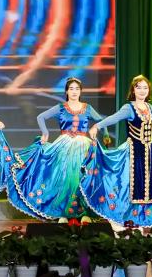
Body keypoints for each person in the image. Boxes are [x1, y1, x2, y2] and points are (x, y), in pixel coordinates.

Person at [84, 75, 152, 227]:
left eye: (145, 87)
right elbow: (114, 118)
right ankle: (127, 217)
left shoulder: (149, 108)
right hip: (133, 153)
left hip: (148, 152)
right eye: (139, 87)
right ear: (133, 90)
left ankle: (142, 219)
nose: (142, 90)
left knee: (147, 185)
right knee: (128, 185)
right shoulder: (129, 108)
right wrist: (97, 126)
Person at [7, 77, 111, 220]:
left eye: (77, 89)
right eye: (71, 89)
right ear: (66, 91)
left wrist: (105, 135)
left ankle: (84, 213)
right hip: (64, 145)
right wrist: (45, 133)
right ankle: (64, 212)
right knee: (63, 178)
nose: (74, 91)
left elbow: (101, 121)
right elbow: (41, 117)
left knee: (81, 178)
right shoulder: (61, 108)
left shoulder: (87, 108)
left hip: (83, 146)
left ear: (80, 91)